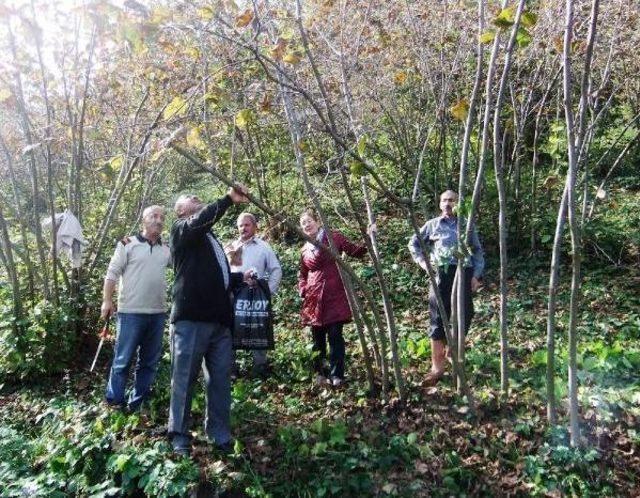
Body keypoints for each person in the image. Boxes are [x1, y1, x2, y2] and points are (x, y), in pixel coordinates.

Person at [168, 186, 255, 456]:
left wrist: (240, 279)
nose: (195, 198)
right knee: (184, 378)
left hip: (220, 321)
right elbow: (202, 220)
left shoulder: (209, 238)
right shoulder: (182, 230)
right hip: (192, 318)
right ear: (181, 211)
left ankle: (219, 435)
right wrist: (228, 200)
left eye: (196, 196)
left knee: (219, 380)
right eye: (189, 199)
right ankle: (179, 436)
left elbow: (217, 275)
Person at [408, 190, 484, 386]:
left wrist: (476, 275)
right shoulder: (432, 225)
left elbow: (477, 251)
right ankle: (437, 367)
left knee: (467, 312)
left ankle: (453, 348)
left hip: (463, 272)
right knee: (438, 317)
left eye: (452, 200)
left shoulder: (466, 225)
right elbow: (414, 244)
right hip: (440, 275)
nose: (448, 203)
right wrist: (424, 263)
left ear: (458, 203)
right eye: (444, 200)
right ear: (440, 203)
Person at [101, 205, 171, 412]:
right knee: (122, 359)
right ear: (144, 220)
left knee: (149, 362)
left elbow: (184, 266)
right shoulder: (127, 244)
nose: (158, 220)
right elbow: (112, 273)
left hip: (157, 314)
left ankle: (137, 402)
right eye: (154, 216)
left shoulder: (166, 249)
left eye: (161, 217)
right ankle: (114, 401)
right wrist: (107, 300)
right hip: (130, 312)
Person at [298, 209, 367, 387]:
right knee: (317, 339)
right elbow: (303, 274)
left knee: (335, 336)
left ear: (318, 221)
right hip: (314, 299)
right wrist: (303, 290)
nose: (306, 225)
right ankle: (320, 374)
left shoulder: (333, 237)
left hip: (334, 293)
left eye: (309, 221)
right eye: (303, 223)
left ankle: (337, 375)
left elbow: (355, 251)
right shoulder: (305, 249)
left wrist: (369, 236)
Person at [225, 212, 282, 378]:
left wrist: (268, 291)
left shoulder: (264, 247)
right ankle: (231, 369)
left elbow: (276, 269)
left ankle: (260, 367)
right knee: (231, 329)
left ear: (255, 226)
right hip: (234, 296)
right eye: (241, 225)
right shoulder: (231, 247)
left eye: (247, 224)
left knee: (258, 328)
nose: (243, 228)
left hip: (255, 295)